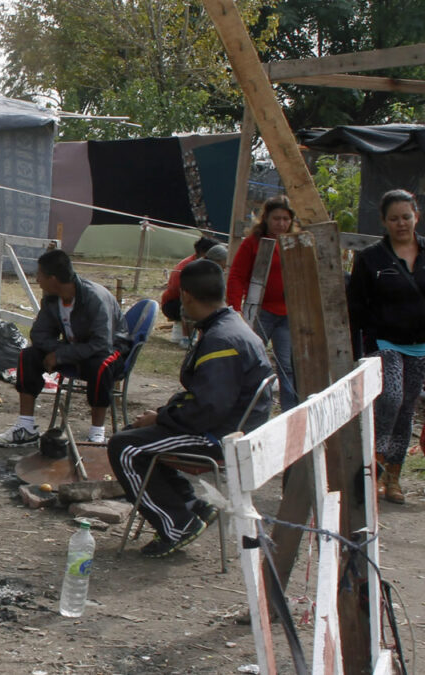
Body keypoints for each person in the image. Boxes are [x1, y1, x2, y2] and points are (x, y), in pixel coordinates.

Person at [108, 259, 273, 558]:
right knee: (138, 435)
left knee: (124, 447)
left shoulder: (222, 340)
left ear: (185, 295)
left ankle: (177, 525)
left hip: (221, 437)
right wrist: (162, 416)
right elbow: (207, 397)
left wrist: (161, 418)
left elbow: (207, 409)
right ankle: (191, 504)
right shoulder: (231, 326)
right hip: (232, 427)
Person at [347, 189, 425, 504]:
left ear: (417, 216)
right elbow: (355, 309)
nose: (401, 223)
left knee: (405, 410)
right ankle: (372, 468)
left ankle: (394, 476)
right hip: (385, 342)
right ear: (384, 221)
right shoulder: (370, 258)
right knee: (389, 398)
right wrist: (356, 352)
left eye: (406, 216)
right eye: (394, 218)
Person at [0, 249, 130, 447]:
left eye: (40, 274)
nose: (37, 279)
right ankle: (25, 427)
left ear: (53, 279)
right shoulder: (52, 299)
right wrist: (58, 352)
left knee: (100, 366)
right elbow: (39, 334)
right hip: (75, 347)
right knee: (29, 356)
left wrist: (62, 354)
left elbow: (102, 343)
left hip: (109, 349)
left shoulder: (94, 299)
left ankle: (97, 435)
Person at [226, 194, 299, 409]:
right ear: (266, 218)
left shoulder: (294, 243)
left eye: (286, 219)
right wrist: (235, 307)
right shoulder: (253, 243)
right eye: (277, 218)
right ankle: (245, 406)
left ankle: (289, 411)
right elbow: (237, 275)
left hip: (286, 314)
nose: (281, 224)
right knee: (251, 361)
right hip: (259, 311)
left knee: (286, 365)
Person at [162, 237, 219, 346]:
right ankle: (186, 338)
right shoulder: (188, 266)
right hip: (173, 304)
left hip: (185, 300)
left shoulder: (203, 265)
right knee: (196, 302)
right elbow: (185, 292)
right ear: (203, 253)